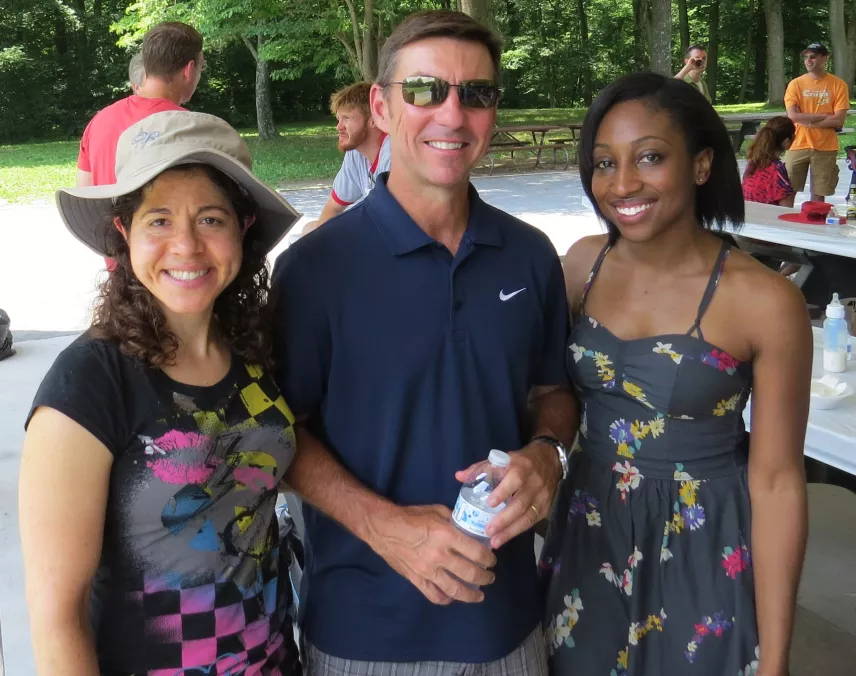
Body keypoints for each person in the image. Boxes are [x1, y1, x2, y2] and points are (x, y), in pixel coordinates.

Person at [272, 10, 578, 675]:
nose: (453, 114)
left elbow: (553, 391)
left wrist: (548, 453)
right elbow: (277, 431)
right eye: (424, 90)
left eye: (477, 94)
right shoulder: (315, 269)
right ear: (381, 107)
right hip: (362, 632)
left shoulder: (529, 255)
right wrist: (384, 526)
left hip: (508, 624)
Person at [539, 72, 810, 676]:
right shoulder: (583, 264)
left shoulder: (764, 301)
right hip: (590, 532)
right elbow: (544, 393)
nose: (622, 184)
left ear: (702, 164)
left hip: (704, 543)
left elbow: (778, 484)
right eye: (604, 163)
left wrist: (776, 660)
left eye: (650, 157)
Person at [19, 110, 303, 675]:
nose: (186, 246)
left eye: (211, 218)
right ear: (125, 232)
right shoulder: (90, 383)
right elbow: (57, 616)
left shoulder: (254, 348)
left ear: (243, 229)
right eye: (159, 220)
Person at [77, 21, 204, 188]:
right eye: (201, 68)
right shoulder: (193, 129)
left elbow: (84, 192)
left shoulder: (98, 122)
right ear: (189, 70)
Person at [303, 82, 391, 234]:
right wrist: (318, 238)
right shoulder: (356, 151)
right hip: (377, 233)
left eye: (347, 118)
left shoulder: (393, 154)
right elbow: (333, 207)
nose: (339, 126)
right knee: (310, 229)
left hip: (396, 238)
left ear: (374, 118)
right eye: (338, 119)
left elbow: (389, 224)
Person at [784, 42, 850, 203]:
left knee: (819, 194)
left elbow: (838, 119)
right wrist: (823, 116)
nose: (808, 60)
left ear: (825, 58)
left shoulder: (838, 85)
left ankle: (814, 219)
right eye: (806, 57)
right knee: (787, 191)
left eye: (813, 57)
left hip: (825, 146)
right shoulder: (795, 84)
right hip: (797, 144)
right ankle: (785, 220)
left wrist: (806, 120)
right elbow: (793, 116)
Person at [742, 116, 796, 207]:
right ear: (786, 142)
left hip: (749, 213)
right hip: (768, 215)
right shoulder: (777, 170)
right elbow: (786, 208)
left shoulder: (752, 163)